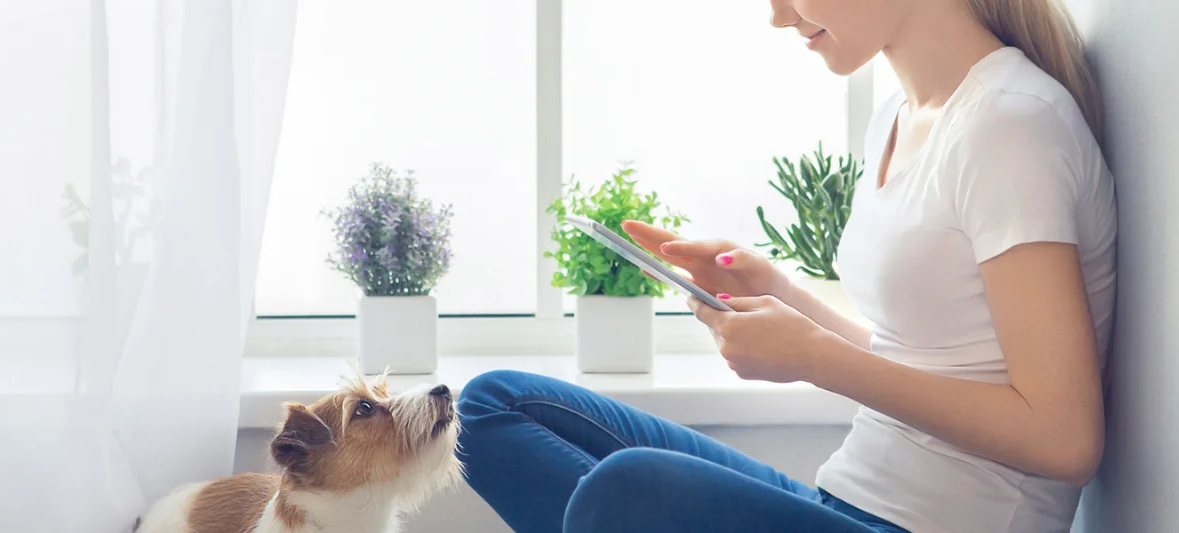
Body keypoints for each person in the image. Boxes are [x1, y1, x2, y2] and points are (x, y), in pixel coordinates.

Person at [456, 0, 1116, 532]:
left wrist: (815, 357)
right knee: (489, 408)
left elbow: (1063, 437)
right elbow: (925, 363)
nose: (777, 14)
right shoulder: (899, 117)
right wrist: (778, 294)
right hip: (845, 502)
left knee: (625, 492)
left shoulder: (1011, 126)